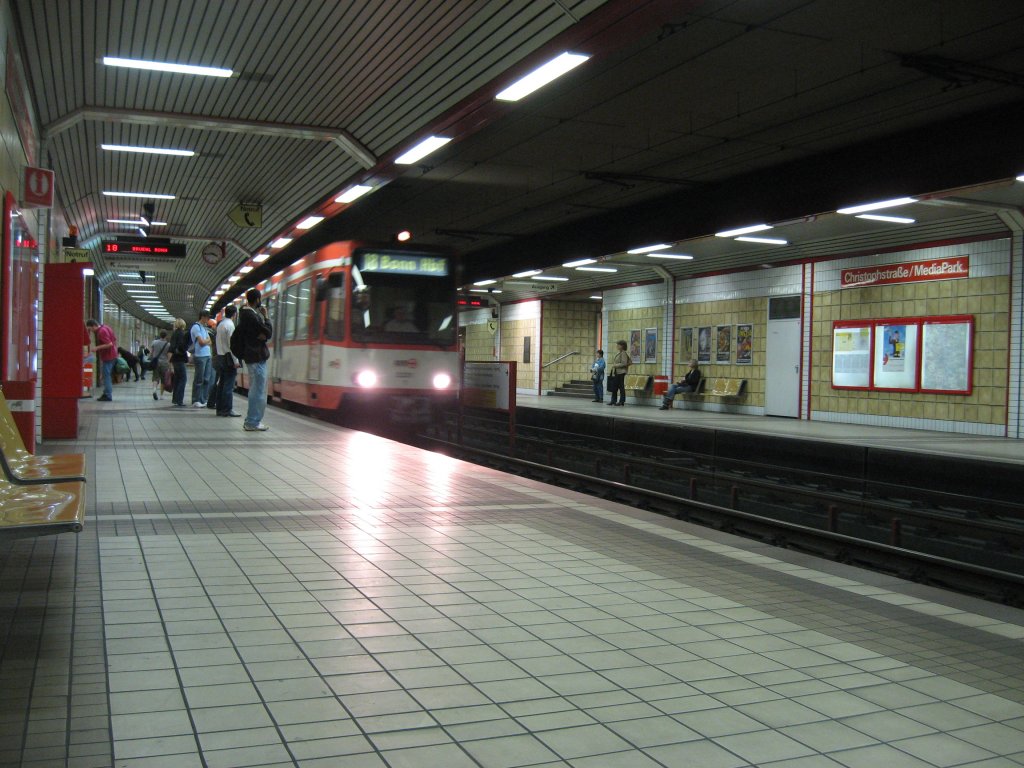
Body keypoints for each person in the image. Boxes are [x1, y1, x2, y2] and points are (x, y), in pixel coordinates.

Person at [236, 288, 273, 431]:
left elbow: (264, 334)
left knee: (257, 389)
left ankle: (252, 421)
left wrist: (263, 332)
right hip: (256, 357)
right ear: (257, 300)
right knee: (258, 390)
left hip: (254, 357)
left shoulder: (246, 314)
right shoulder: (250, 316)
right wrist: (267, 317)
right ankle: (252, 422)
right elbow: (268, 333)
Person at [215, 305, 241, 417]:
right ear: (235, 314)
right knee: (228, 385)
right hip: (228, 357)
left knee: (221, 384)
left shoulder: (220, 324)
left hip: (220, 356)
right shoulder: (230, 326)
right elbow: (232, 345)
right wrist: (236, 360)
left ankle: (219, 409)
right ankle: (227, 409)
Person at [85, 319, 118, 401]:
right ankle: (106, 392)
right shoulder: (107, 327)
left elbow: (109, 344)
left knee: (106, 376)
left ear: (94, 326)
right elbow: (114, 340)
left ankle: (108, 395)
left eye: (90, 329)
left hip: (108, 356)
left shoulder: (101, 332)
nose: (91, 331)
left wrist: (97, 348)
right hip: (113, 355)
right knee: (106, 375)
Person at [190, 311, 213, 407]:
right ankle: (196, 400)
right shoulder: (196, 327)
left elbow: (210, 341)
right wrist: (206, 341)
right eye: (207, 318)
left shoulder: (204, 328)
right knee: (199, 378)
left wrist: (206, 341)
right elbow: (201, 342)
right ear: (202, 317)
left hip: (208, 355)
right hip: (200, 356)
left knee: (206, 378)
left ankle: (203, 399)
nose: (208, 320)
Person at [169, 319, 190, 407]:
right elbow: (182, 346)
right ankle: (179, 400)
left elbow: (171, 347)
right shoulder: (181, 334)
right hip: (180, 358)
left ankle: (175, 399)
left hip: (175, 359)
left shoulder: (174, 333)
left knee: (177, 379)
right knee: (183, 379)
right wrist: (185, 349)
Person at [607, 339, 630, 406]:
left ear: (622, 346)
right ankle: (613, 400)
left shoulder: (623, 353)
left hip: (621, 373)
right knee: (615, 387)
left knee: (621, 387)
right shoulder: (619, 353)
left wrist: (615, 365)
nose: (617, 346)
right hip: (617, 372)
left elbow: (624, 363)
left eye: (618, 345)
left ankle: (621, 401)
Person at [149, 331, 170, 401]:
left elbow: (151, 353)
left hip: (156, 363)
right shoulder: (168, 344)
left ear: (160, 335)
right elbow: (168, 355)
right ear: (166, 336)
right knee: (163, 379)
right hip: (164, 363)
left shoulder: (154, 342)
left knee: (155, 377)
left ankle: (154, 390)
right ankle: (161, 395)